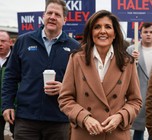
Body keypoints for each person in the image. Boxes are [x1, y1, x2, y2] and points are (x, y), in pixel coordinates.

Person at [58, 10, 142, 140]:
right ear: (91, 33)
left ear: (114, 34)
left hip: (116, 135)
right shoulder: (76, 59)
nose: (102, 31)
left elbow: (135, 101)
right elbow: (65, 99)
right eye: (97, 27)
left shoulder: (128, 62)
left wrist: (120, 116)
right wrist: (84, 118)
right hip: (84, 134)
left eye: (108, 27)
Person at [1, 0, 79, 140]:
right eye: (49, 13)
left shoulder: (75, 47)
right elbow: (10, 77)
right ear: (43, 16)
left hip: (59, 120)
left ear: (65, 20)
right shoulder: (23, 41)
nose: (52, 17)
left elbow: (82, 82)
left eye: (57, 14)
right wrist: (7, 105)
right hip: (26, 119)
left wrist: (65, 87)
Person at [127, 22, 152, 140]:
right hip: (139, 93)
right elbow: (124, 71)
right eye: (145, 32)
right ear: (140, 34)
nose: (148, 35)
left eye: (151, 32)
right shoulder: (131, 49)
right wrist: (131, 61)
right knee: (138, 129)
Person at [0, 30, 14, 140]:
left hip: (14, 107)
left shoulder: (17, 59)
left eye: (3, 41)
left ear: (10, 42)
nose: (0, 44)